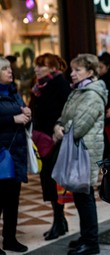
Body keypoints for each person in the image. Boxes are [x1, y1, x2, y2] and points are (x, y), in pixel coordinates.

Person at [53, 53, 107, 255]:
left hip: (85, 152)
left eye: (77, 70)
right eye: (72, 70)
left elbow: (79, 125)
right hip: (77, 150)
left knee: (85, 198)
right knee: (81, 197)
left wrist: (62, 129)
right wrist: (59, 124)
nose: (72, 74)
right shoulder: (80, 91)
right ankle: (86, 237)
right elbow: (66, 116)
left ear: (91, 71)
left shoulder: (92, 94)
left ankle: (91, 242)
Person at [30, 53, 72, 241]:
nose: (37, 69)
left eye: (41, 66)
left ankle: (59, 221)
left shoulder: (60, 84)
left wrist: (58, 128)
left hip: (56, 140)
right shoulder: (38, 86)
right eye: (36, 66)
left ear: (53, 68)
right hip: (41, 140)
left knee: (55, 182)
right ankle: (59, 220)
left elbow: (66, 111)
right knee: (47, 182)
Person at [0, 57, 31, 254]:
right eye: (5, 69)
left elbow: (23, 116)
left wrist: (27, 113)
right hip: (1, 154)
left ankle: (10, 239)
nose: (10, 72)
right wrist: (13, 118)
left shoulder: (14, 92)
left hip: (15, 153)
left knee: (12, 200)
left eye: (10, 69)